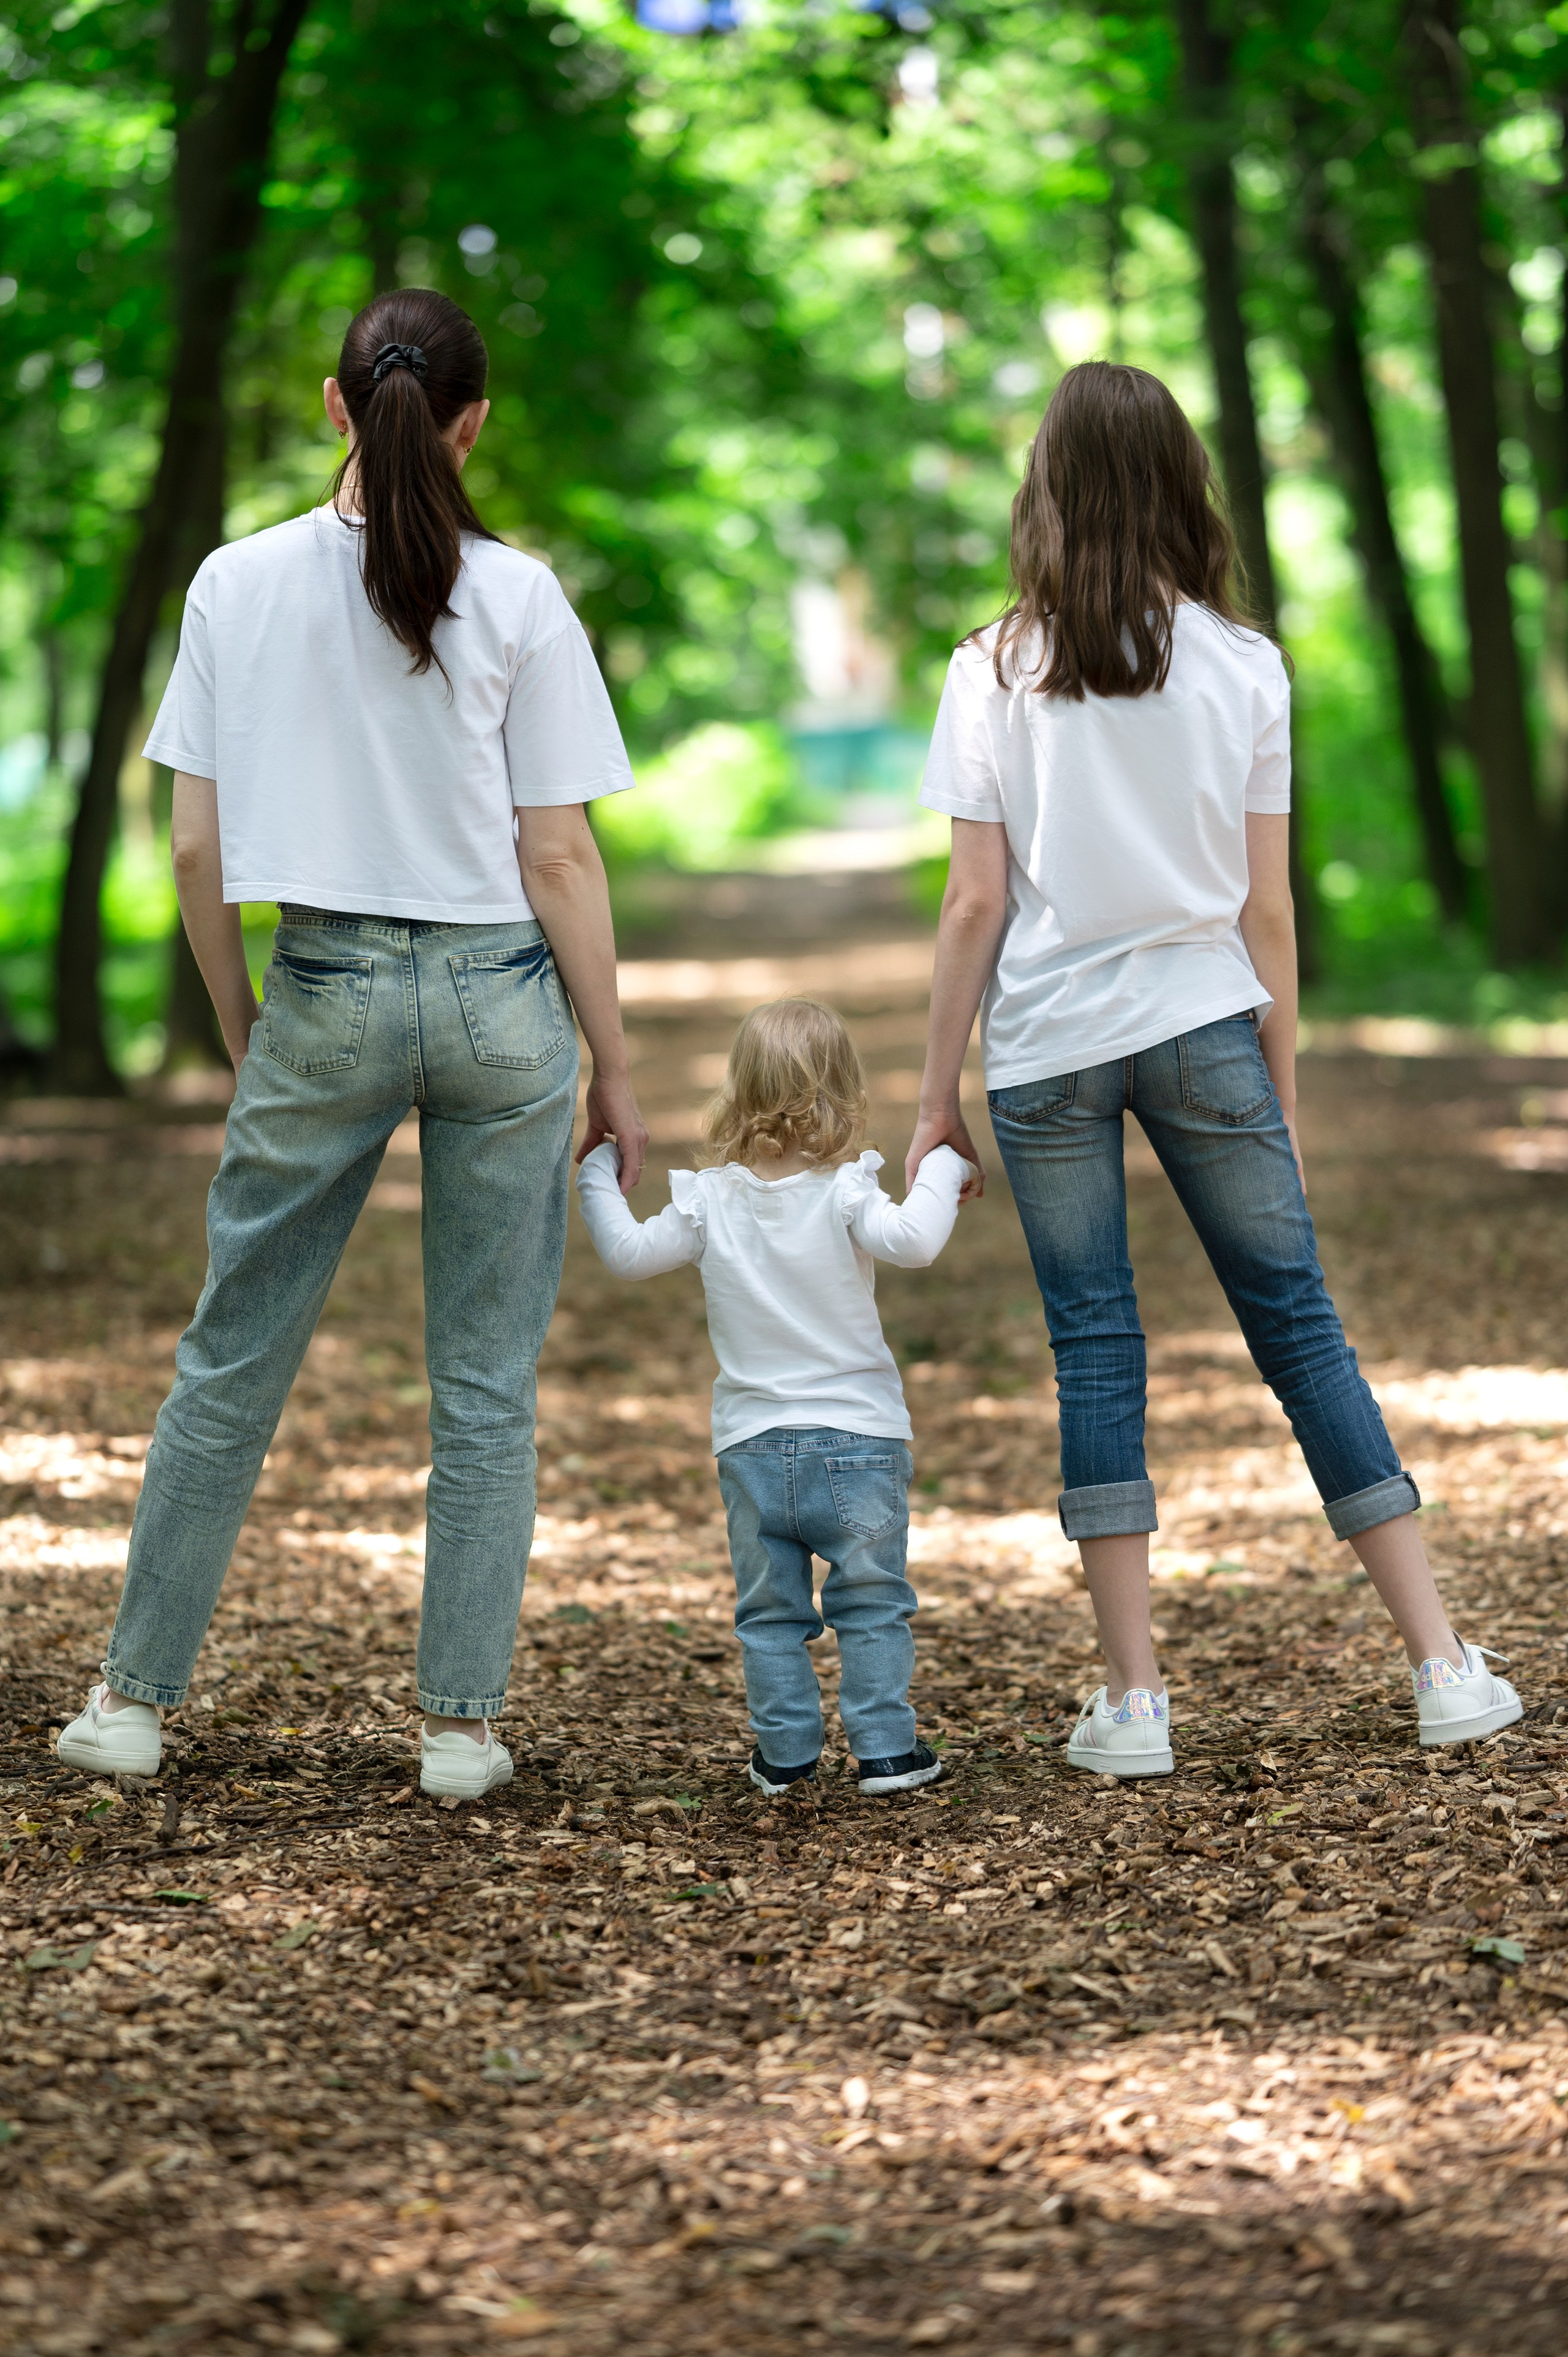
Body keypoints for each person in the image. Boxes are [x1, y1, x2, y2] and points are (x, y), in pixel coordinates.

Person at [56, 288, 647, 1802]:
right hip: (499, 999)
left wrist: (242, 1026)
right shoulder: (520, 596)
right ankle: (458, 1730)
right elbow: (558, 855)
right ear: (471, 425)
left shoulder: (233, 583)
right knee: (484, 1384)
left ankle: (131, 1702)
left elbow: (196, 851)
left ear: (336, 405)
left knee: (230, 1360)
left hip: (320, 982)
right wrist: (615, 1065)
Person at [905, 358, 1521, 1778]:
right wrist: (1278, 1091)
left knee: (1092, 1348)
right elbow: (1266, 911)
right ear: (1182, 483)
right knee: (1298, 1328)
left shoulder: (988, 668)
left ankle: (1132, 1704)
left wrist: (936, 1097)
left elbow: (973, 905)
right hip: (1201, 1024)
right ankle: (1439, 1664)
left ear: (1047, 488)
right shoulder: (1242, 665)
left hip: (1047, 1046)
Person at [576, 998, 965, 1796]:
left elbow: (627, 1253)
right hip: (858, 1440)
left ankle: (785, 1756)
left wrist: (594, 1174)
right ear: (845, 1090)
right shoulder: (845, 1190)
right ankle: (887, 1753)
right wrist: (948, 1165)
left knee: (770, 1614)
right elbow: (916, 1241)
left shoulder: (709, 1200)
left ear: (737, 1089)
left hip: (752, 1445)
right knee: (872, 1602)